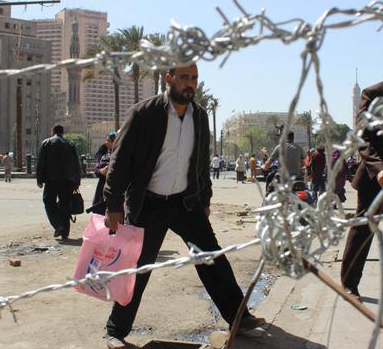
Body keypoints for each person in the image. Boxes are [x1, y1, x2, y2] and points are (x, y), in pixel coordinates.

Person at [102, 64, 265, 349]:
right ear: (169, 79)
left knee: (212, 257)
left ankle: (240, 318)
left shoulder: (199, 116)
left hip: (185, 203)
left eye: (194, 78)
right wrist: (113, 204)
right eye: (185, 78)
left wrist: (205, 200)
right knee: (139, 268)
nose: (190, 84)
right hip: (148, 204)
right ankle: (116, 330)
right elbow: (120, 162)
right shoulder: (143, 114)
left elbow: (200, 165)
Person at [341, 40, 383, 300]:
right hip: (375, 177)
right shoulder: (373, 93)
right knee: (363, 230)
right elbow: (362, 138)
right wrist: (379, 168)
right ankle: (349, 285)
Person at [36, 124, 81, 240]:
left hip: (52, 179)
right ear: (63, 132)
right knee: (65, 204)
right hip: (68, 180)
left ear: (53, 131)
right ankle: (65, 232)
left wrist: (39, 180)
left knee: (48, 201)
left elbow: (41, 162)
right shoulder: (70, 144)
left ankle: (58, 224)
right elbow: (77, 164)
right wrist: (77, 180)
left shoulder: (46, 143)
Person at [90, 131, 117, 215]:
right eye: (107, 140)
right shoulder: (103, 154)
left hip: (115, 190)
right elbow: (96, 168)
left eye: (109, 140)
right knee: (99, 214)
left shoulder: (121, 154)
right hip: (101, 189)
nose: (106, 142)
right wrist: (101, 171)